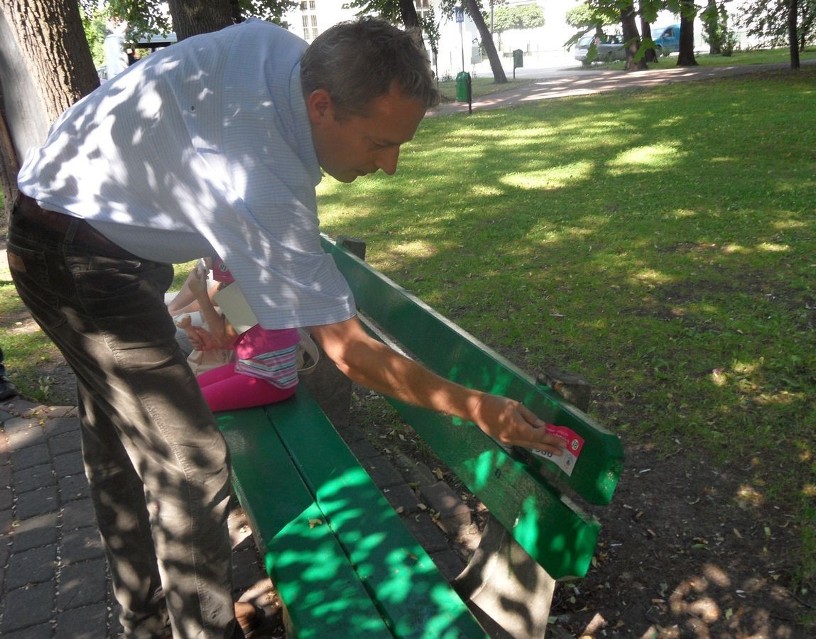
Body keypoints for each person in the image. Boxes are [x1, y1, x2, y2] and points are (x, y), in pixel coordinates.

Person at [8, 17, 564, 639]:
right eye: (381, 143)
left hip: (92, 226)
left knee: (120, 433)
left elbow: (206, 180)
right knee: (191, 463)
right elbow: (349, 354)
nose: (392, 167)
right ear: (321, 107)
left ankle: (144, 618)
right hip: (74, 254)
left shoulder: (289, 61)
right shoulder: (262, 168)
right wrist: (477, 406)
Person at [185, 256, 302, 412]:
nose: (206, 261)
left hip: (271, 381)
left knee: (190, 407)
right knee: (188, 390)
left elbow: (224, 339)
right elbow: (231, 336)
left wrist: (201, 296)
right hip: (252, 369)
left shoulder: (251, 290)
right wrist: (211, 340)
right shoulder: (251, 280)